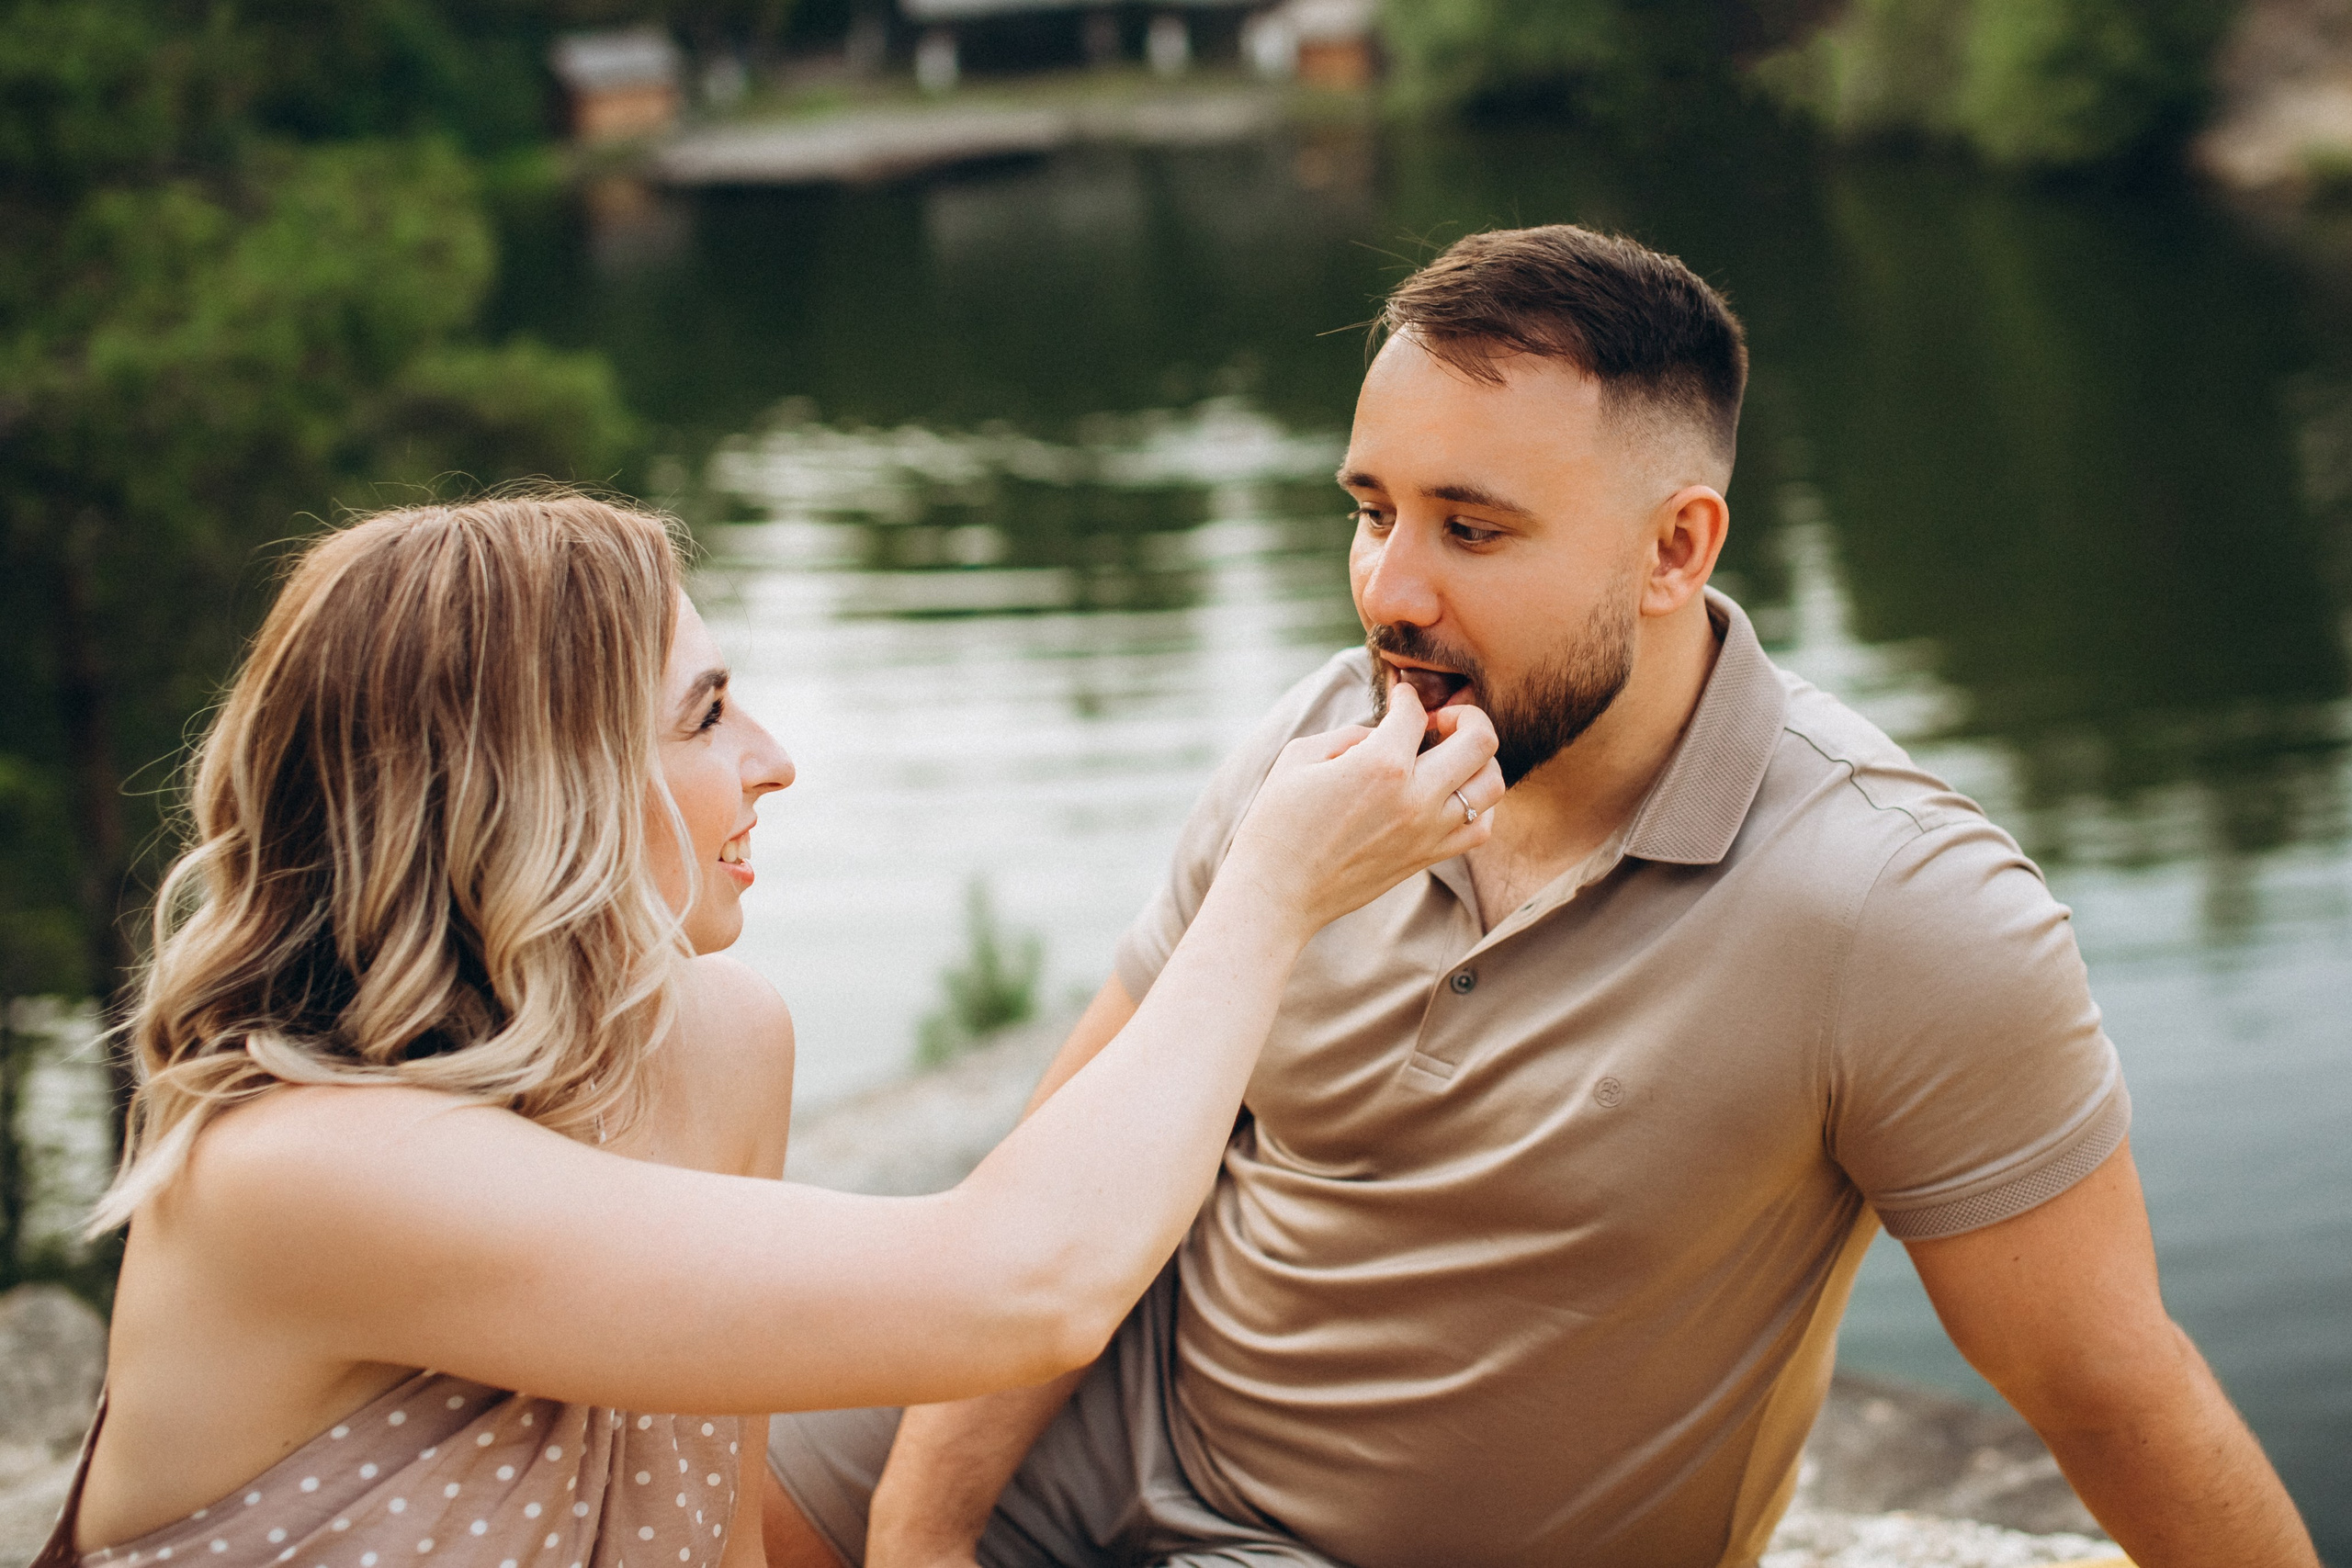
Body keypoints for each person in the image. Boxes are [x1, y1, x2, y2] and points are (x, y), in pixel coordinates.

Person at [761, 228, 2322, 1568]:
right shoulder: (1325, 743)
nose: (1389, 591)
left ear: (1674, 550)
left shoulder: (1895, 905)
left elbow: (2113, 1392)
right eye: (1371, 509)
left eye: (1472, 527)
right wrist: (922, 1534)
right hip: (1098, 1416)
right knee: (674, 1455)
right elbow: (1065, 1175)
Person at [36, 493, 1502, 1568]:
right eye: (706, 716)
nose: (774, 761)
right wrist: (1272, 888)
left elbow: (717, 1539)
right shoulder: (295, 1179)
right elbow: (1026, 1290)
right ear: (528, 794)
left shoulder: (718, 1044)